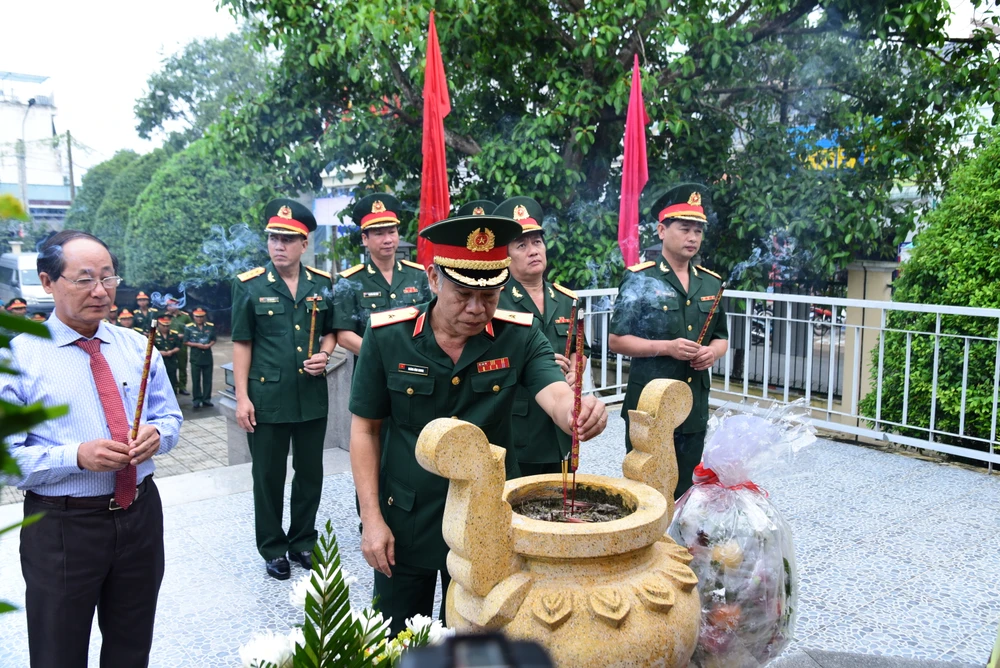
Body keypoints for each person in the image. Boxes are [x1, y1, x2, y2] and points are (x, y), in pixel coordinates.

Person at [348, 211, 609, 636]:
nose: (476, 309)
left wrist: (576, 413)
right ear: (433, 279)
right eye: (463, 294)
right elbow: (365, 430)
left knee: (477, 638)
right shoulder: (388, 336)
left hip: (486, 525)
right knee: (397, 638)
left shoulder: (518, 336)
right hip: (406, 518)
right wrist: (371, 519)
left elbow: (555, 391)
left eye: (489, 296)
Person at [0, 229, 182, 668]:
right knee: (58, 650)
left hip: (139, 514)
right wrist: (76, 456)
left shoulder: (138, 346)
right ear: (48, 283)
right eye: (84, 279)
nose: (101, 291)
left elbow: (170, 419)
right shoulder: (18, 358)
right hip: (64, 527)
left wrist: (157, 435)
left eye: (108, 278)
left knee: (132, 643)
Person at [231, 198, 336, 580]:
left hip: (310, 397)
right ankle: (273, 548)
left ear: (304, 244)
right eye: (274, 238)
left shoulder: (322, 285)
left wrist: (324, 354)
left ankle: (303, 541)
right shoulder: (250, 286)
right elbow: (241, 343)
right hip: (267, 399)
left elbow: (330, 332)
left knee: (310, 474)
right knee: (268, 476)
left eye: (288, 239)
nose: (279, 245)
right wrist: (242, 397)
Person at [608, 183, 728, 499]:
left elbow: (721, 337)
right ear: (662, 230)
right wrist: (666, 347)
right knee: (646, 489)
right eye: (684, 229)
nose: (692, 237)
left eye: (698, 231)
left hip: (693, 405)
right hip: (649, 404)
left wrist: (711, 353)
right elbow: (616, 340)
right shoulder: (640, 277)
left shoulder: (711, 282)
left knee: (686, 490)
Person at [495, 196, 590, 475]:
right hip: (519, 425)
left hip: (560, 430)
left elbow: (578, 348)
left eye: (537, 242)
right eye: (521, 245)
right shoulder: (496, 303)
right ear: (506, 255)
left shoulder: (566, 300)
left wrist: (575, 368)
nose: (533, 250)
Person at [332, 193, 431, 356]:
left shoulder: (417, 275)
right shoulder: (349, 281)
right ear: (365, 239)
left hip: (415, 368)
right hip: (371, 373)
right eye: (379, 234)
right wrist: (381, 355)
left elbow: (431, 322)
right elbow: (344, 336)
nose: (388, 240)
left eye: (392, 232)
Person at [184, 306, 216, 409]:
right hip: (196, 357)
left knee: (207, 379)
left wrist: (209, 345)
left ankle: (206, 399)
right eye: (197, 317)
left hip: (207, 356)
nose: (199, 319)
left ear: (204, 317)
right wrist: (197, 345)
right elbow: (185, 341)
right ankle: (197, 399)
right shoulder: (189, 327)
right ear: (193, 317)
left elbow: (214, 339)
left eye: (201, 317)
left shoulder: (210, 326)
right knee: (196, 379)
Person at [165, 298, 192, 395]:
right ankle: (173, 386)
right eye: (168, 305)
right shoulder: (165, 316)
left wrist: (183, 335)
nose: (169, 307)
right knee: (171, 366)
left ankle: (182, 386)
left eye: (172, 305)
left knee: (182, 365)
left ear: (177, 305)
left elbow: (191, 330)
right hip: (170, 344)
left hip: (182, 344)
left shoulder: (185, 317)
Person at [154, 315, 182, 393]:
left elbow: (178, 346)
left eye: (167, 326)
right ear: (159, 324)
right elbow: (150, 348)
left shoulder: (173, 334)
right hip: (159, 360)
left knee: (172, 378)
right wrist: (159, 352)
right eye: (163, 326)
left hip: (171, 360)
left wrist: (171, 351)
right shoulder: (154, 335)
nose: (166, 328)